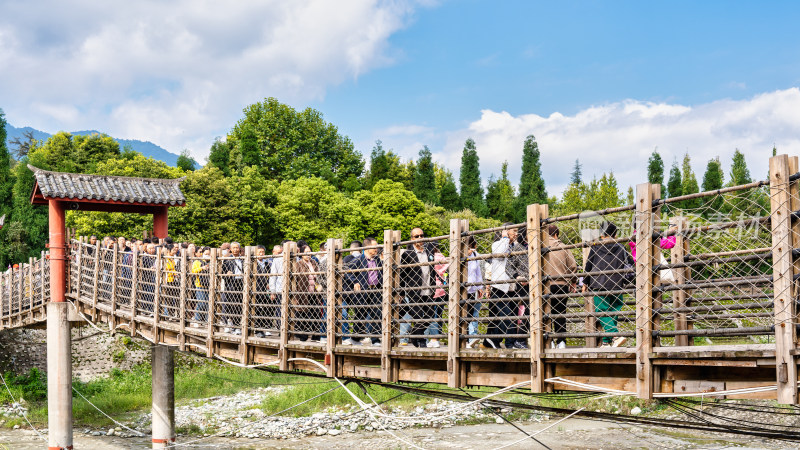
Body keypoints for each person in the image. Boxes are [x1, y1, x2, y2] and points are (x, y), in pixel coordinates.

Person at [583, 221, 633, 348]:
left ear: (601, 234)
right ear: (615, 234)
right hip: (617, 283)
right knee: (614, 311)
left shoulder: (596, 246)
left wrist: (585, 283)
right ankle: (606, 341)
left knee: (602, 311)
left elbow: (589, 265)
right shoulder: (621, 247)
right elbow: (630, 263)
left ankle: (615, 335)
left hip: (599, 283)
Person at [399, 228, 437, 348]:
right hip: (414, 290)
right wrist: (401, 291)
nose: (420, 238)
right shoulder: (407, 254)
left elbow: (433, 269)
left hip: (429, 288)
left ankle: (415, 334)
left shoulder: (429, 251)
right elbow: (402, 274)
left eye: (422, 235)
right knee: (418, 315)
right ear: (412, 239)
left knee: (430, 314)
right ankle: (421, 341)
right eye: (417, 236)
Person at [486, 225, 522, 349]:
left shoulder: (515, 246)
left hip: (511, 287)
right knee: (507, 318)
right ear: (506, 232)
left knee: (511, 317)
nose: (516, 234)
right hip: (500, 287)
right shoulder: (497, 244)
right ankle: (509, 343)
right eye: (514, 232)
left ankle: (492, 339)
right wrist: (505, 238)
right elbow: (499, 255)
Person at [543, 225, 577, 349]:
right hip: (562, 284)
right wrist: (573, 281)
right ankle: (561, 341)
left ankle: (549, 340)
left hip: (546, 285)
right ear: (556, 235)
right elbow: (572, 266)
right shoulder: (564, 247)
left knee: (546, 313)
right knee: (560, 313)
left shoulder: (542, 247)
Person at [348, 237, 382, 346]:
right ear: (367, 247)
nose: (376, 249)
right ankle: (355, 338)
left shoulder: (378, 260)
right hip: (363, 291)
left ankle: (376, 340)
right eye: (374, 247)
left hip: (375, 290)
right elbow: (348, 272)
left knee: (376, 314)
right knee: (360, 315)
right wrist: (354, 282)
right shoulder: (358, 260)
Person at [293, 244, 320, 341]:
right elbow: (295, 279)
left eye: (310, 252)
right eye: (306, 252)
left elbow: (318, 276)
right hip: (303, 292)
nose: (308, 254)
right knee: (302, 313)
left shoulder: (314, 263)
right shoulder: (298, 264)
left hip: (314, 292)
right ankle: (302, 336)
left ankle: (316, 336)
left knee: (316, 313)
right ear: (301, 254)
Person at [425, 242, 448, 348]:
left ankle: (434, 339)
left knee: (432, 314)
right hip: (441, 288)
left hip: (432, 288)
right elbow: (446, 268)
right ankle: (437, 337)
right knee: (439, 314)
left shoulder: (429, 257)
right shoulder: (441, 256)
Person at [465, 236, 487, 348]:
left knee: (472, 314)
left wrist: (480, 287)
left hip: (473, 289)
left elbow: (478, 273)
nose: (470, 250)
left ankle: (470, 339)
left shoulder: (475, 256)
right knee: (464, 314)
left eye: (471, 247)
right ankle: (464, 338)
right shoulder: (461, 255)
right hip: (462, 290)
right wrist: (464, 255)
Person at [221, 242, 244, 335]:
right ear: (230, 249)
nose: (235, 249)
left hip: (240, 283)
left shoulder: (243, 259)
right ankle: (228, 323)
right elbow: (222, 273)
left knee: (238, 305)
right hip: (230, 284)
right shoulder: (227, 260)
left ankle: (237, 325)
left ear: (239, 249)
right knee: (229, 304)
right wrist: (227, 274)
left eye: (237, 248)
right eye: (233, 248)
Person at [341, 241, 362, 345]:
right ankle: (357, 336)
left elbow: (345, 274)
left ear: (350, 249)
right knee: (359, 313)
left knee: (344, 313)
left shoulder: (346, 259)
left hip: (347, 290)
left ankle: (345, 336)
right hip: (360, 290)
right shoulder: (363, 258)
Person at [253, 245, 272, 337]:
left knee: (266, 308)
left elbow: (270, 275)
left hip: (265, 290)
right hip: (255, 289)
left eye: (263, 252)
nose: (261, 254)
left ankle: (264, 327)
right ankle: (257, 329)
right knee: (256, 309)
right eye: (259, 252)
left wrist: (269, 283)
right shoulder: (252, 263)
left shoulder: (267, 263)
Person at [191, 247, 212, 326]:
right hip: (200, 284)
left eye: (208, 254)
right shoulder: (197, 261)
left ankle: (206, 320)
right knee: (201, 303)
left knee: (208, 304)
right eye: (206, 254)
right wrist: (202, 268)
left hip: (209, 284)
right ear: (202, 254)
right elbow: (193, 270)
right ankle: (197, 319)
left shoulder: (211, 262)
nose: (207, 255)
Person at [268, 244, 284, 332]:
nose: (280, 254)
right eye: (278, 252)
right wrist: (272, 290)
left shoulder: (294, 259)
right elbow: (273, 276)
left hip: (291, 289)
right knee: (279, 309)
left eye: (281, 252)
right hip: (279, 288)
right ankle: (279, 327)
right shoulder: (276, 260)